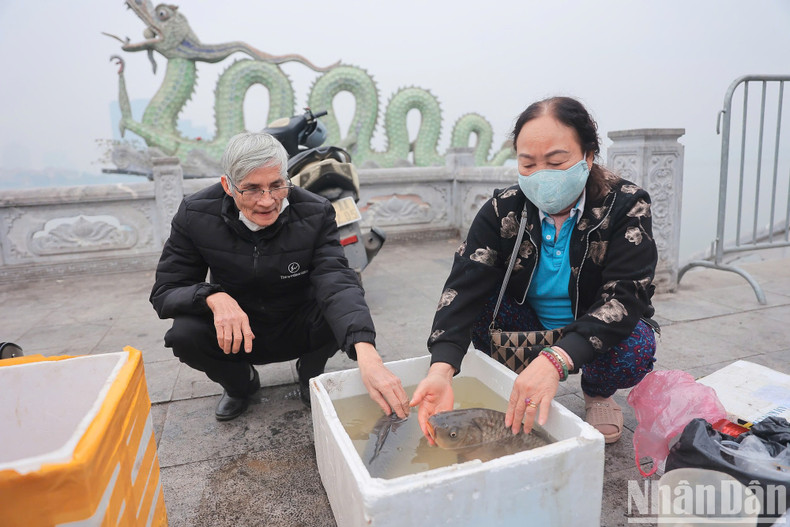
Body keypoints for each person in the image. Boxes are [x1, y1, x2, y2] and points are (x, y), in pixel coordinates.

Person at [410, 96, 658, 444]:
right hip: (529, 325)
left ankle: (598, 393)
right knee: (476, 305)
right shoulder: (503, 209)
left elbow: (626, 295)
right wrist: (442, 369)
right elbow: (463, 287)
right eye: (528, 164)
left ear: (588, 156)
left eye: (557, 162)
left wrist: (556, 360)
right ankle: (522, 384)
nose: (541, 175)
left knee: (636, 346)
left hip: (593, 327)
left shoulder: (627, 205)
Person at [150, 132, 409, 421]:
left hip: (297, 323)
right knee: (184, 334)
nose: (267, 201)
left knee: (345, 301)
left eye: (277, 185)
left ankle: (310, 374)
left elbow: (336, 281)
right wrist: (212, 297)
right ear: (228, 186)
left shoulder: (316, 212)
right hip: (237, 332)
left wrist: (367, 352)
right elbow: (166, 290)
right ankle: (240, 384)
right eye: (251, 189)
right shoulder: (195, 214)